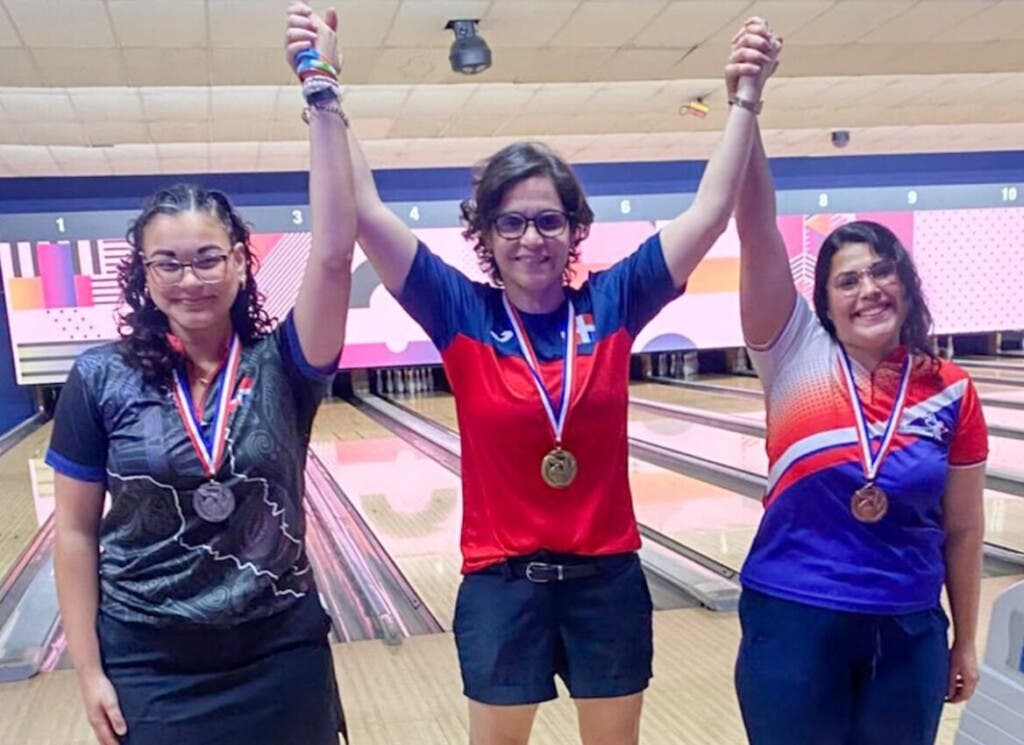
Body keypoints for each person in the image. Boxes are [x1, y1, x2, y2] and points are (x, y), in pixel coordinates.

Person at [286, 6, 779, 743]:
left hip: (606, 580)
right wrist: (323, 89)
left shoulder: (613, 301)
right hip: (502, 585)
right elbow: (362, 211)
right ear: (484, 235)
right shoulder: (458, 309)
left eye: (549, 221)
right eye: (511, 223)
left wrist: (745, 97)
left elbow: (710, 211)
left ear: (574, 229)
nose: (531, 238)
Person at [47, 9, 357, 743]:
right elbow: (73, 535)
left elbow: (338, 252)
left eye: (209, 257)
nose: (191, 278)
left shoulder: (285, 363)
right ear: (143, 275)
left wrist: (321, 92)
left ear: (243, 261)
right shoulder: (99, 377)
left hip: (278, 647)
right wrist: (89, 671)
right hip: (150, 655)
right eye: (169, 262)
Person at [731, 25, 988, 744]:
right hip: (792, 620)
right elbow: (755, 229)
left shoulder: (951, 389)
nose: (869, 288)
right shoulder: (793, 352)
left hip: (906, 630)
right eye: (848, 279)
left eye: (882, 271)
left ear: (905, 283)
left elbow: (965, 530)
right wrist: (746, 105)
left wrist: (964, 638)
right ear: (824, 299)